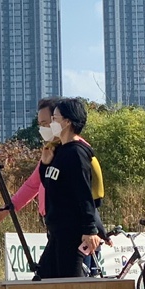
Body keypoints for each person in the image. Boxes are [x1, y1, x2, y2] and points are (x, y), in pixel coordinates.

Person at [32, 97, 101, 279]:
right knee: (41, 283)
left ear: (67, 121)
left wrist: (89, 229)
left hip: (72, 233)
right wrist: (45, 164)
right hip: (57, 233)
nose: (52, 123)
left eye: (55, 118)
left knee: (70, 287)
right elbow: (50, 185)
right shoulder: (59, 151)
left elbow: (83, 194)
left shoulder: (77, 153)